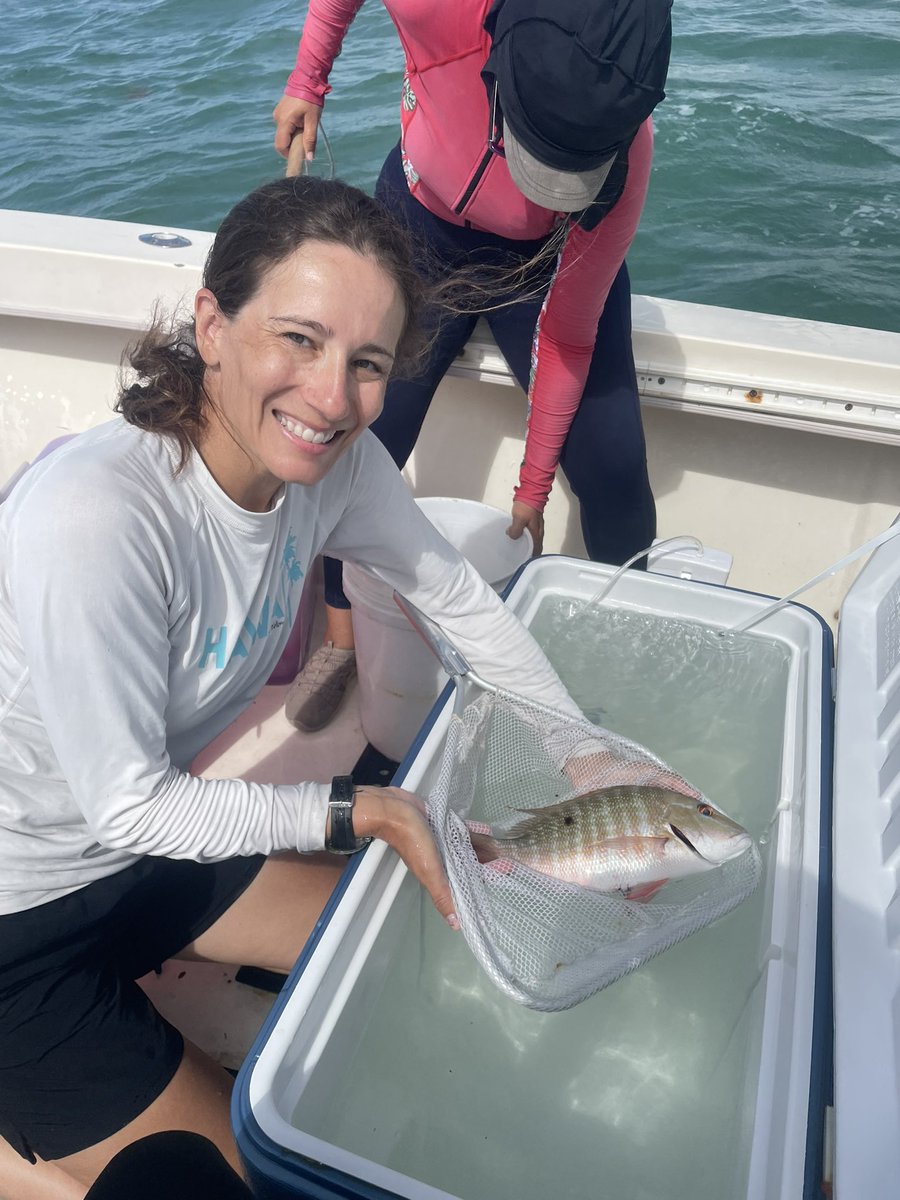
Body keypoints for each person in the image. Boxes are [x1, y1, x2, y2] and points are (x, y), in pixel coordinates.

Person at [0, 174, 603, 1199]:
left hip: (145, 860)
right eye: (301, 339)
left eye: (368, 364)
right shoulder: (98, 517)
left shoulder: (340, 468)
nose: (333, 397)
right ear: (213, 324)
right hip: (20, 915)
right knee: (251, 1178)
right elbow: (127, 798)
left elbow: (458, 606)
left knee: (420, 951)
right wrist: (361, 807)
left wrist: (586, 753)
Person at [273, 0, 673, 733]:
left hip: (548, 261)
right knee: (356, 438)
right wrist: (309, 80)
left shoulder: (623, 142)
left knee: (615, 469)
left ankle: (630, 669)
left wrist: (534, 482)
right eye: (551, 159)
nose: (564, 178)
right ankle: (339, 634)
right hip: (423, 227)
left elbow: (570, 340)